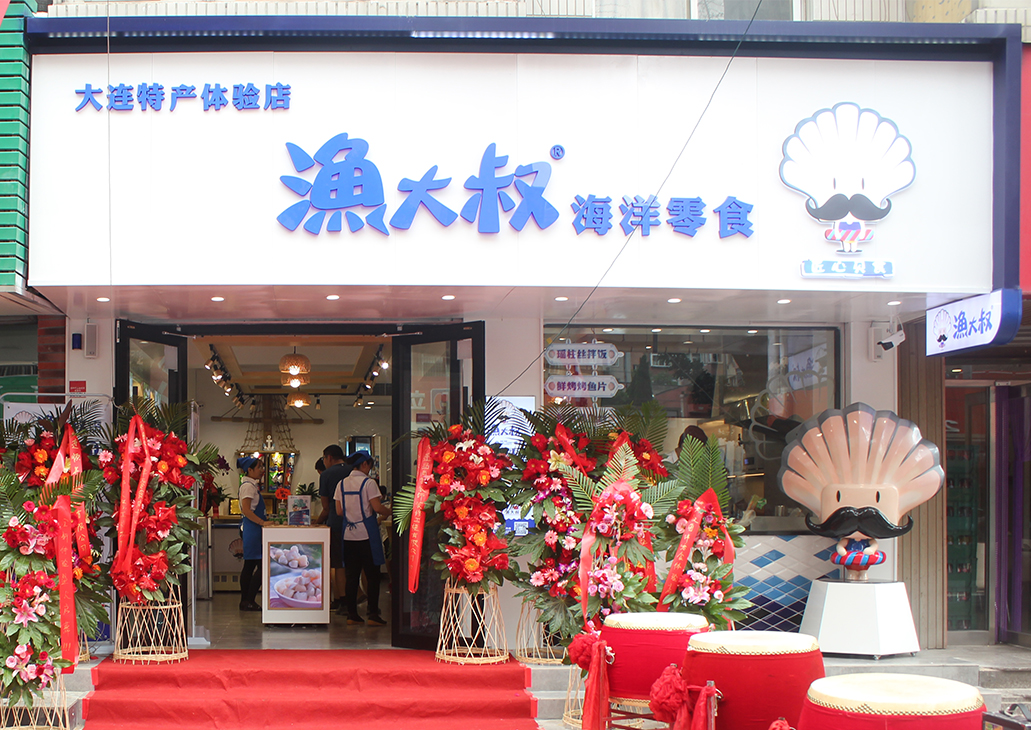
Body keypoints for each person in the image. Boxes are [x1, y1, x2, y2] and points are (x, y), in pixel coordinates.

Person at [335, 451, 390, 626]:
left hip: (348, 535)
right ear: (364, 464)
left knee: (351, 575)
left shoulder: (341, 484)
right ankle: (373, 614)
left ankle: (352, 614)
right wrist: (391, 512)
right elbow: (377, 507)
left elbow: (339, 511)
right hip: (367, 534)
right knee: (372, 575)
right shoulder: (369, 483)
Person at [316, 445, 352, 610]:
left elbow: (326, 508)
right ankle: (350, 600)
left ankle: (341, 600)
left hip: (336, 524)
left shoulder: (326, 475)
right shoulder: (353, 471)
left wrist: (317, 522)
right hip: (356, 524)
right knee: (352, 565)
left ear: (329, 457)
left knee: (338, 565)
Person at [237, 455, 271, 611]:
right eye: (259, 467)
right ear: (249, 470)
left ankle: (245, 601)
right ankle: (248, 599)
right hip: (253, 530)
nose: (262, 470)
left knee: (250, 566)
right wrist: (262, 522)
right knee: (262, 567)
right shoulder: (248, 487)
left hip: (253, 529)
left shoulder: (251, 485)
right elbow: (246, 509)